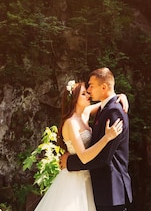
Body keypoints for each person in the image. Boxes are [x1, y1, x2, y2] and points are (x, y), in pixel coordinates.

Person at [33, 79, 126, 211]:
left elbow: (107, 103)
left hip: (87, 177)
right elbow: (83, 156)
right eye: (83, 94)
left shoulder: (85, 114)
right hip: (74, 179)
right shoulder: (71, 123)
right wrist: (107, 137)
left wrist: (121, 96)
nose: (88, 94)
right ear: (74, 99)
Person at [62, 67, 133, 211]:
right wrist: (120, 96)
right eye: (84, 91)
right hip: (99, 188)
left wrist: (70, 162)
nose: (88, 90)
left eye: (91, 86)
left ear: (104, 87)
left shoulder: (114, 111)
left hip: (111, 190)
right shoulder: (104, 108)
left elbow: (104, 158)